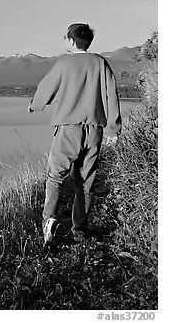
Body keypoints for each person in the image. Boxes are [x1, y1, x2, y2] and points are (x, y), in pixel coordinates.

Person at [28, 23, 121, 246]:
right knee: (85, 182)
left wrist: (35, 105)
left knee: (55, 177)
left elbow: (46, 88)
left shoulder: (64, 62)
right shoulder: (100, 62)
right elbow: (111, 95)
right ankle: (80, 230)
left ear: (71, 41)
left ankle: (48, 220)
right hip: (95, 129)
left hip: (69, 128)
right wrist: (113, 129)